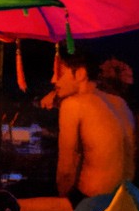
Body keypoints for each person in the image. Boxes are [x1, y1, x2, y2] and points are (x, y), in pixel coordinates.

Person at [56, 51, 134, 202]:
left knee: (17, 208)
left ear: (80, 74)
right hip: (125, 200)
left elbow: (66, 171)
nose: (54, 80)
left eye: (60, 73)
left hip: (93, 202)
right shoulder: (120, 103)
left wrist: (61, 199)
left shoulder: (73, 104)